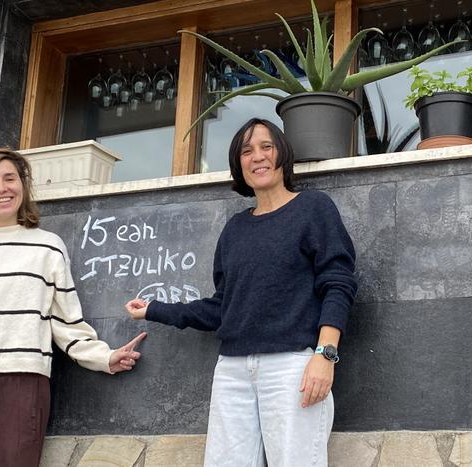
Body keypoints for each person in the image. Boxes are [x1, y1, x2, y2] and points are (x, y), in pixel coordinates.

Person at [125, 118, 358, 466]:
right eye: (246, 151)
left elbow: (338, 282)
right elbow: (222, 307)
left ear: (282, 154)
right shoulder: (235, 229)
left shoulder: (313, 208)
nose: (257, 157)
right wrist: (154, 309)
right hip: (232, 370)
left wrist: (325, 355)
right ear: (239, 164)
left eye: (266, 147)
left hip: (291, 367)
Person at [0, 148, 145, 467]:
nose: (1, 188)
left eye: (10, 178)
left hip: (21, 387)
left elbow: (66, 322)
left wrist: (104, 357)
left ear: (23, 185)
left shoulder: (48, 247)